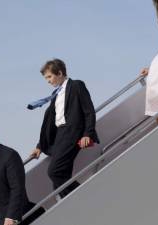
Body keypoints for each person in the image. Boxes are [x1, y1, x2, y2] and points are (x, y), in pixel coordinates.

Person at [29, 58, 99, 198]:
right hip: (60, 135)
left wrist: (87, 134)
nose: (48, 81)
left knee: (54, 171)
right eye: (46, 78)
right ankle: (70, 203)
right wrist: (39, 146)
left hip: (72, 133)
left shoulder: (76, 86)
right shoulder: (56, 95)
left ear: (59, 73)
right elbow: (50, 124)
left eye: (49, 76)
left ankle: (83, 197)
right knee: (62, 175)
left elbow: (89, 111)